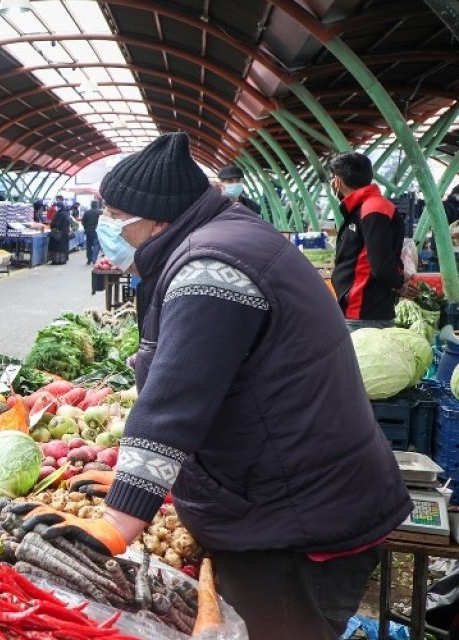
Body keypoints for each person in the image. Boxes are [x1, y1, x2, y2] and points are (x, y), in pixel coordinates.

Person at [27, 132, 409, 640]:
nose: (110, 229)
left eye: (117, 217)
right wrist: (150, 486)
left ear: (156, 218)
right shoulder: (223, 236)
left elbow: (176, 400)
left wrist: (120, 520)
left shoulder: (211, 268)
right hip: (294, 498)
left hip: (295, 524)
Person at [329, 152, 408, 330]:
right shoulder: (364, 207)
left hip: (364, 311)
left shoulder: (373, 208)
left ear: (337, 181)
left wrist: (398, 284)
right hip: (356, 309)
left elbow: (381, 264)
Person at [48, 200, 73, 265]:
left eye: (57, 206)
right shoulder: (67, 213)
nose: (56, 208)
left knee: (56, 248)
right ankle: (62, 260)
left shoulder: (59, 214)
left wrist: (52, 226)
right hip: (64, 234)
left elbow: (55, 224)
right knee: (63, 248)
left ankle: (56, 261)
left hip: (58, 233)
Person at [82, 199, 102, 264]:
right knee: (96, 245)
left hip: (88, 231)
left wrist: (86, 227)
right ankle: (94, 259)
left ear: (91, 205)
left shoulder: (87, 212)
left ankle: (89, 259)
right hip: (97, 231)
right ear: (97, 205)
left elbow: (83, 222)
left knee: (89, 245)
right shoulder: (100, 212)